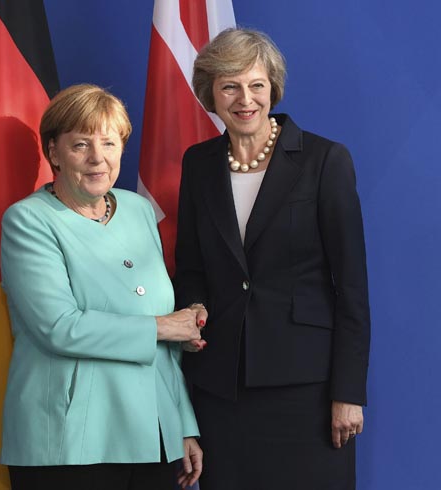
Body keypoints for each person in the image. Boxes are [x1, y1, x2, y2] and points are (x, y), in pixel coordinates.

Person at [174, 28, 371, 489]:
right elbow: (191, 268)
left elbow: (353, 289)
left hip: (308, 390)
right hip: (222, 389)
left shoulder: (325, 160)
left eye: (256, 85)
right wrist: (196, 306)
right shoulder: (198, 163)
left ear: (272, 89)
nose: (245, 99)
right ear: (212, 94)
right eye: (230, 86)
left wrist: (348, 392)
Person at [0, 84, 204, 490]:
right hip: (70, 442)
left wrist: (182, 424)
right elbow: (59, 326)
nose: (98, 158)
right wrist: (162, 326)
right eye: (81, 145)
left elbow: (165, 351)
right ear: (53, 152)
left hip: (154, 438)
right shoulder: (27, 221)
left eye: (109, 143)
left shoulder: (139, 210)